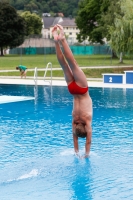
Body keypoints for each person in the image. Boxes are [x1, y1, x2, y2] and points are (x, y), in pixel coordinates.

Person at [52, 24, 93, 158]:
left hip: (82, 89)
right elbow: (75, 139)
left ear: (85, 130)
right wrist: (77, 153)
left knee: (72, 63)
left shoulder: (87, 121)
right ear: (76, 128)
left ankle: (63, 39)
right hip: (73, 90)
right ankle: (56, 41)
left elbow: (89, 141)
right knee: (63, 64)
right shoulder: (74, 121)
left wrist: (86, 154)